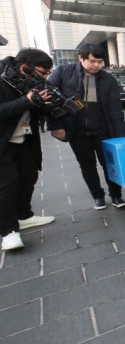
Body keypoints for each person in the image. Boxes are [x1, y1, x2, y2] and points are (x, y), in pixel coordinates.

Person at [47, 44, 125, 210]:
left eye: (100, 61)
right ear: (81, 58)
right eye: (92, 61)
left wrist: (123, 137)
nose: (97, 65)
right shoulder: (63, 73)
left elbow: (115, 110)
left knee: (110, 164)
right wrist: (55, 125)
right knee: (87, 165)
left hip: (103, 130)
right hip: (77, 132)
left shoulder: (108, 80)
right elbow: (48, 99)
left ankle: (116, 195)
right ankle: (98, 196)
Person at [0, 48, 56, 250]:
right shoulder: (2, 76)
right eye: (42, 72)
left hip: (23, 138)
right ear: (25, 68)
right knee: (8, 184)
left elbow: (36, 109)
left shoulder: (30, 81)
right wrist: (27, 100)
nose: (44, 78)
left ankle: (24, 215)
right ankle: (7, 231)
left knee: (29, 175)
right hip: (3, 142)